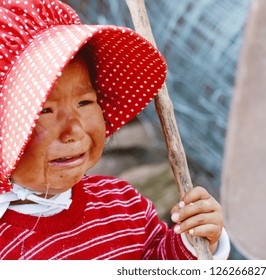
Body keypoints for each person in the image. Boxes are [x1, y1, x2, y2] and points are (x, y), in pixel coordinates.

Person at [0, 0, 229, 260]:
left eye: (84, 102)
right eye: (44, 111)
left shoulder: (124, 205)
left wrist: (194, 242)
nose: (74, 129)